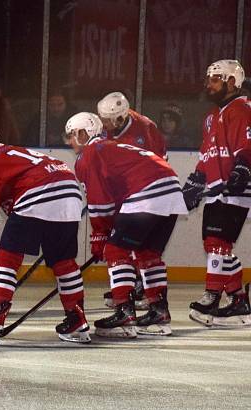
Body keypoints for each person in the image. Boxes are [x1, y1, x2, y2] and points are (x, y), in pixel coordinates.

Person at [0, 125, 88, 346]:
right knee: (64, 262)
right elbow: (13, 208)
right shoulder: (13, 154)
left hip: (39, 191)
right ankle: (77, 320)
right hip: (70, 192)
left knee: (6, 260)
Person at [66, 112, 187, 338]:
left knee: (115, 250)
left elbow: (100, 201)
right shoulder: (112, 147)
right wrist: (109, 229)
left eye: (71, 135)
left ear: (83, 133)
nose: (69, 141)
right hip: (171, 189)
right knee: (148, 254)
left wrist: (101, 234)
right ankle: (159, 312)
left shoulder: (89, 154)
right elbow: (117, 198)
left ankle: (124, 313)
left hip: (148, 191)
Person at [181, 59, 251, 328]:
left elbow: (246, 144)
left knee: (217, 243)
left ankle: (212, 295)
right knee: (214, 245)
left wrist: (242, 169)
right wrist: (197, 180)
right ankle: (238, 300)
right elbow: (207, 154)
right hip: (215, 189)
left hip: (236, 188)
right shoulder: (210, 116)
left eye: (215, 79)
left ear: (232, 82)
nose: (208, 84)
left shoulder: (243, 108)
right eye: (208, 78)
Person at [96, 91, 169, 310]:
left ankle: (139, 286)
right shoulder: (105, 128)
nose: (105, 125)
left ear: (121, 117)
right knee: (124, 241)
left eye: (109, 121)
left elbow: (158, 164)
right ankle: (130, 285)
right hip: (123, 190)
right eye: (103, 120)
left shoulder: (145, 129)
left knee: (138, 245)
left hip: (146, 192)